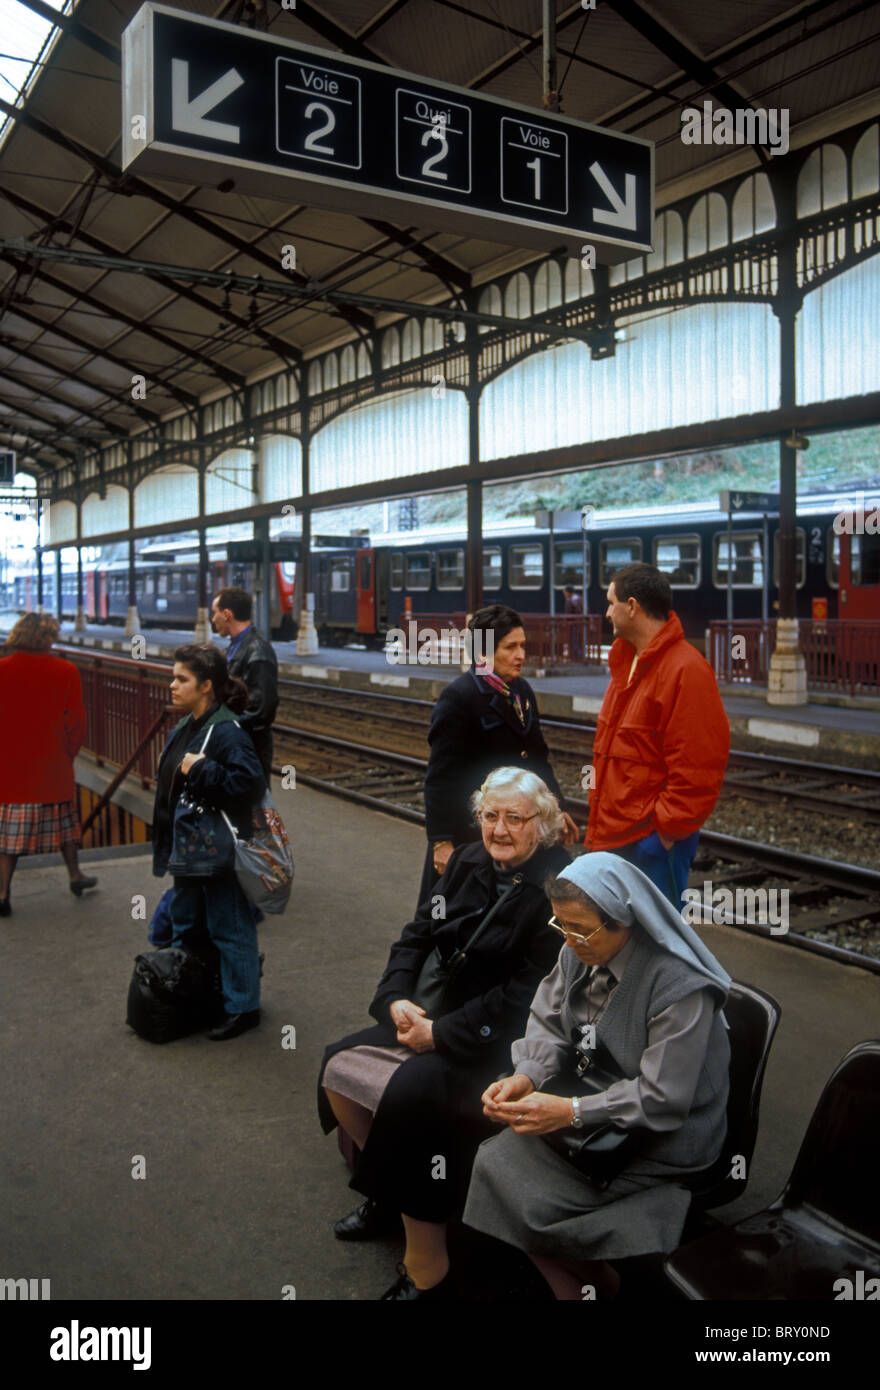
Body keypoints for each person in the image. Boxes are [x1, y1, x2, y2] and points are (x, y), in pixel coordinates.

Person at [317, 767, 571, 1300]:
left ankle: (428, 1270)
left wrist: (441, 1033)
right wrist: (394, 1000)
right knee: (337, 1065)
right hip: (431, 1014)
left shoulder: (559, 887)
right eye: (490, 815)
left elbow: (526, 995)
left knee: (413, 1096)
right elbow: (417, 934)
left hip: (499, 1041)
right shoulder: (466, 860)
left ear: (543, 824)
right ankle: (391, 1192)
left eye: (514, 818)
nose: (498, 829)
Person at [463, 852, 731, 1301]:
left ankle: (591, 1281)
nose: (569, 941)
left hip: (671, 1134)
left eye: (581, 929)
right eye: (561, 925)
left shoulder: (678, 985)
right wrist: (528, 1075)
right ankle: (587, 1280)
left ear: (625, 921)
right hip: (604, 1102)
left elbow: (662, 1098)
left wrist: (571, 1112)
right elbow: (548, 1022)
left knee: (524, 1191)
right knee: (494, 1162)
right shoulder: (577, 952)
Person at [586, 563, 729, 906]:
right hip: (614, 835)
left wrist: (663, 834)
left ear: (632, 607)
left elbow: (698, 766)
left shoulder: (686, 669)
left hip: (649, 844)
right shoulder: (625, 662)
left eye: (611, 603)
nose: (607, 613)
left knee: (655, 935)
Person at [419, 603, 577, 905]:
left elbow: (537, 759)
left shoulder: (522, 692)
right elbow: (440, 777)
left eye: (523, 646)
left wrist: (557, 808)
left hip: (515, 833)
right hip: (470, 836)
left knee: (509, 911)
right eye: (510, 647)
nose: (521, 655)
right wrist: (440, 841)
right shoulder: (458, 698)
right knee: (454, 913)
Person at [151, 644, 267, 1040]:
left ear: (206, 686)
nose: (172, 685)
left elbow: (249, 784)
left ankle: (243, 1007)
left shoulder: (227, 731)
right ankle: (196, 996)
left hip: (220, 853)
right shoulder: (189, 726)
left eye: (181, 679)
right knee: (186, 924)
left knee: (229, 927)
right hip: (191, 850)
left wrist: (201, 769)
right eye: (173, 677)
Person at [0, 612, 97, 915]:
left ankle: (2, 892)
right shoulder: (65, 670)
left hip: (10, 765)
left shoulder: (2, 669)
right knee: (65, 826)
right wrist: (67, 753)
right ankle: (75, 875)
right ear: (48, 638)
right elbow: (76, 721)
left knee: (8, 836)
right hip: (51, 764)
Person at [210, 586, 279, 785]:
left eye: (215, 613)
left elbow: (260, 710)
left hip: (250, 748)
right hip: (239, 745)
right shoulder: (236, 647)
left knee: (254, 800)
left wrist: (224, 725)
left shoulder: (258, 651)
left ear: (227, 614)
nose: (213, 619)